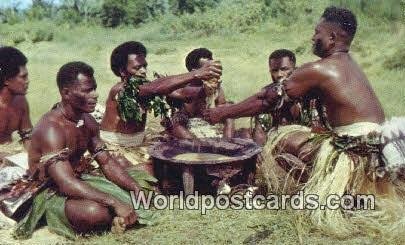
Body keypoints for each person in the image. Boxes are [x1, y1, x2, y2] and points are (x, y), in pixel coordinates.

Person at [203, 6, 405, 235]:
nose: (313, 37)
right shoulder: (350, 65)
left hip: (355, 152)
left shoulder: (321, 68)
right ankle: (338, 189)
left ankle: (333, 191)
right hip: (374, 149)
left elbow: (266, 99)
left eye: (317, 32)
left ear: (332, 37)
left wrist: (223, 112)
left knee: (283, 138)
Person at [13, 62, 156, 240]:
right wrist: (113, 201)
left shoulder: (87, 121)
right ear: (66, 93)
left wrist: (135, 189)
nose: (95, 95)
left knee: (144, 181)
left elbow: (106, 161)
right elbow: (65, 183)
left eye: (94, 89)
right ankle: (114, 216)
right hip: (50, 191)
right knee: (96, 213)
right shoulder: (51, 129)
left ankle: (121, 215)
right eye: (87, 91)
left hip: (77, 178)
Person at [100, 42, 222, 164]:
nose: (143, 71)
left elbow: (183, 94)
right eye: (137, 68)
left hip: (139, 142)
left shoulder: (147, 86)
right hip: (115, 146)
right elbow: (156, 87)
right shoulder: (121, 89)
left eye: (144, 66)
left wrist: (208, 86)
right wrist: (196, 74)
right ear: (122, 71)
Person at [166, 48, 234, 139]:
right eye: (208, 69)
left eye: (213, 69)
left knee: (229, 114)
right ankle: (195, 146)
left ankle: (227, 144)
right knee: (176, 122)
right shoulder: (185, 89)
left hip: (211, 124)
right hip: (190, 126)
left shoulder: (216, 87)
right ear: (195, 72)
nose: (212, 73)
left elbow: (221, 107)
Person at [236, 49, 300, 145]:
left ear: (295, 69)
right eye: (274, 70)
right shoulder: (267, 94)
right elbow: (260, 131)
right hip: (276, 143)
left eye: (284, 69)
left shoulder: (308, 93)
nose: (279, 75)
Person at [0, 46, 32, 152]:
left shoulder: (21, 102)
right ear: (7, 80)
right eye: (23, 77)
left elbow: (28, 137)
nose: (28, 81)